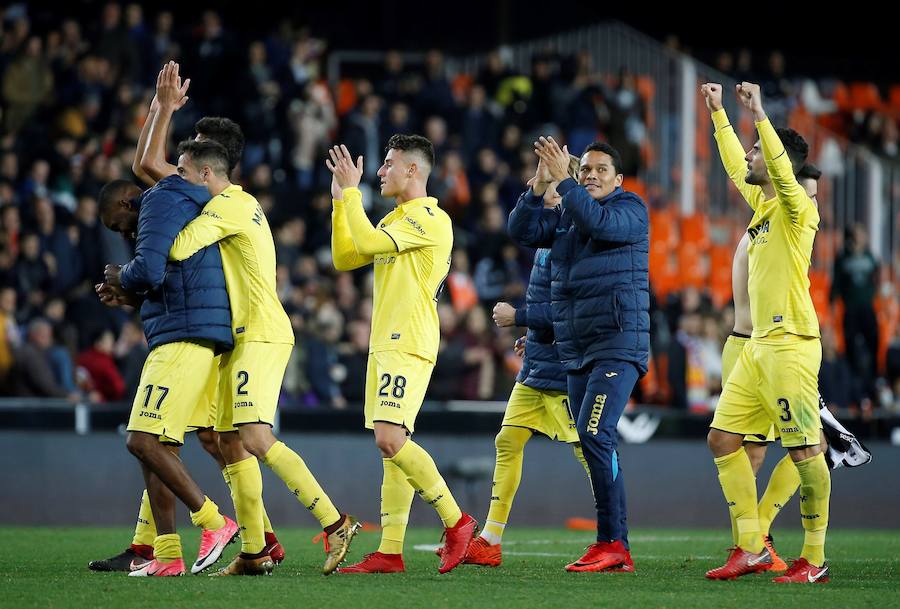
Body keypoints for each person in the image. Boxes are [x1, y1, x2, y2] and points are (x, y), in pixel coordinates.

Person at [89, 62, 284, 573]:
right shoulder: (215, 200)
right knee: (182, 438)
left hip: (224, 329)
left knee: (198, 439)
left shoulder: (195, 195)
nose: (178, 156)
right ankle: (166, 547)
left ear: (208, 163)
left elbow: (144, 162)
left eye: (190, 146)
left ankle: (251, 532)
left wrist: (163, 108)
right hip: (216, 322)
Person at [165, 132, 357, 575]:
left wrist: (158, 217)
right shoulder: (239, 202)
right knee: (229, 442)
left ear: (206, 173)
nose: (179, 179)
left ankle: (336, 522)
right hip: (240, 335)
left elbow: (177, 248)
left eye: (184, 172)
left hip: (260, 333)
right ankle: (254, 551)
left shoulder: (227, 205)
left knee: (252, 436)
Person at [327, 135, 476, 574]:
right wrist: (340, 203)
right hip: (386, 342)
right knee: (394, 445)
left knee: (390, 438)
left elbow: (368, 245)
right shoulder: (397, 218)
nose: (380, 171)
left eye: (389, 163)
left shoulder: (431, 218)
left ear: (413, 170)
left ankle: (457, 521)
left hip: (408, 341)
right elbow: (346, 256)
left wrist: (353, 193)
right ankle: (391, 551)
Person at [702, 81, 830, 583]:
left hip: (792, 346)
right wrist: (719, 116)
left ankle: (814, 559)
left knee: (804, 451)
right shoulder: (763, 210)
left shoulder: (800, 211)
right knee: (722, 439)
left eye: (759, 149)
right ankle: (752, 546)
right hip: (757, 348)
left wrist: (759, 115)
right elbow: (741, 168)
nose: (751, 156)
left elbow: (775, 165)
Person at [508, 136, 649, 572]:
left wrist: (566, 182)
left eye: (600, 170)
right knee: (593, 444)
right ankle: (612, 542)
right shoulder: (569, 216)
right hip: (576, 350)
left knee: (594, 434)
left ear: (619, 179)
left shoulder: (631, 210)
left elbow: (599, 225)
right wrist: (537, 186)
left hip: (616, 343)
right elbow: (522, 231)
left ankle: (614, 543)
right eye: (584, 169)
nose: (590, 176)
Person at [722, 163, 871, 572]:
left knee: (797, 446)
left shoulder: (764, 234)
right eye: (808, 191)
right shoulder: (771, 232)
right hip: (762, 349)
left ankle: (752, 540)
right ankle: (755, 538)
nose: (813, 201)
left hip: (761, 347)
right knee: (772, 450)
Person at [97, 174, 238, 577]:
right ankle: (168, 553)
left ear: (127, 203)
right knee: (158, 446)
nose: (122, 232)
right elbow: (167, 281)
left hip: (182, 340)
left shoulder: (157, 208)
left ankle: (214, 522)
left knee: (141, 440)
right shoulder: (173, 212)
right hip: (185, 332)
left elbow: (149, 271)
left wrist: (121, 276)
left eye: (116, 223)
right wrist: (129, 296)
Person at [460, 165, 594, 568]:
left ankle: (614, 534)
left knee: (592, 451)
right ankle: (490, 538)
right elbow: (519, 227)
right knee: (508, 441)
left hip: (567, 368)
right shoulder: (546, 240)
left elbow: (572, 310)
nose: (545, 200)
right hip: (539, 364)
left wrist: (519, 316)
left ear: (567, 197)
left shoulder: (575, 238)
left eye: (551, 192)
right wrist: (534, 334)